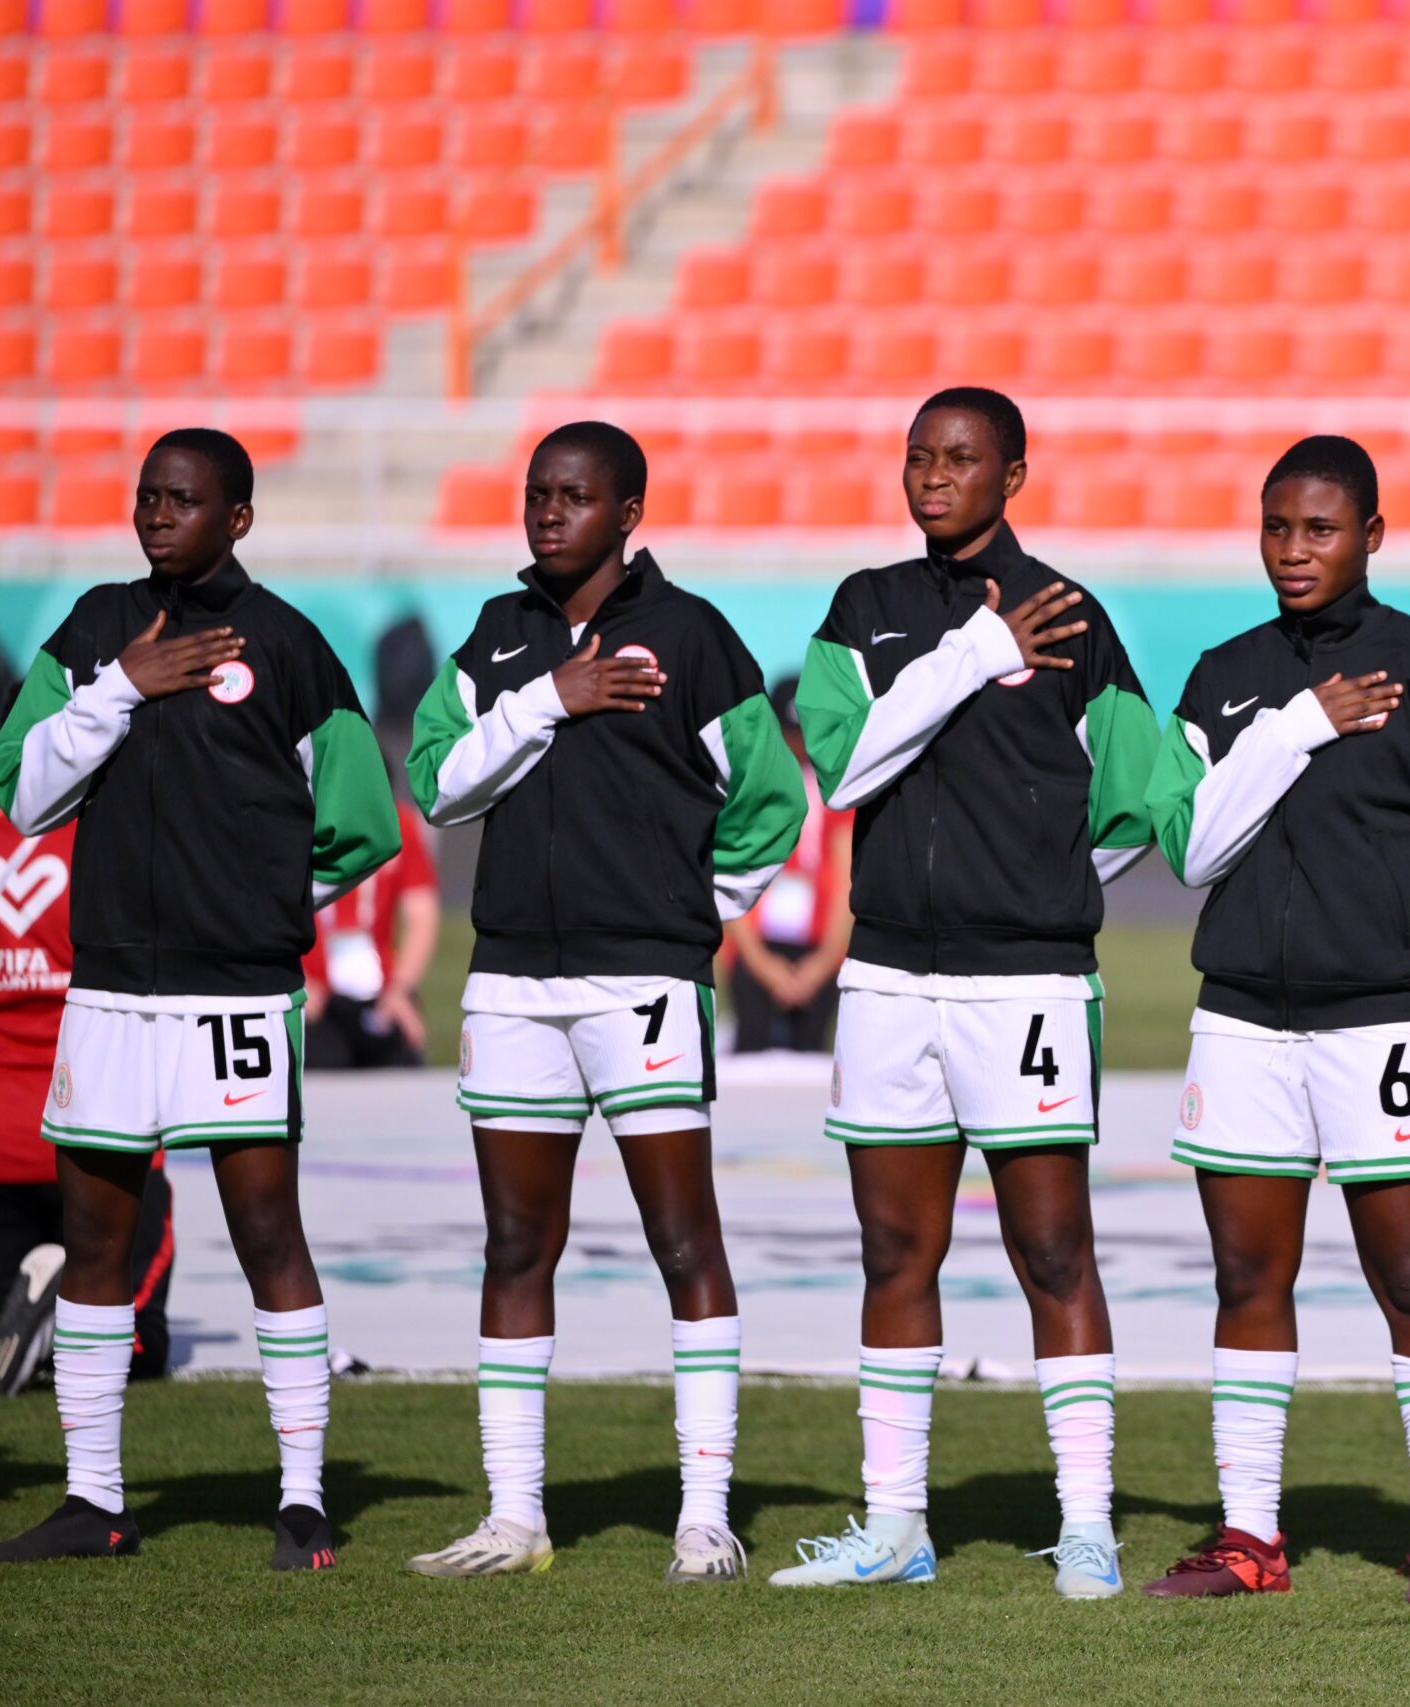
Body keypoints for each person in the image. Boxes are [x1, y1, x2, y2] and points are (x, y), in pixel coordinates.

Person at [402, 422, 805, 1584]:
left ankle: (705, 1515)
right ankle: (515, 1516)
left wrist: (683, 911)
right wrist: (549, 700)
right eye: (537, 493)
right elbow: (435, 783)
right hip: (513, 984)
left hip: (645, 981)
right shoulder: (496, 636)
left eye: (575, 496)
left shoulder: (691, 636)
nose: (548, 513)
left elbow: (771, 804)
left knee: (684, 1239)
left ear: (628, 512)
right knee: (518, 1243)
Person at [775, 388, 1159, 1599]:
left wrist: (1038, 887)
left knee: (1055, 1250)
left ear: (1015, 474)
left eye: (961, 458)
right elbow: (843, 770)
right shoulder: (864, 608)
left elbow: (1140, 804)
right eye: (918, 457)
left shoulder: (1078, 619)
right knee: (896, 1249)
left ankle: (1087, 1523)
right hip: (888, 974)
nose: (933, 476)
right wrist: (973, 659)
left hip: (1029, 982)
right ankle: (896, 1528)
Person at [0, 428, 400, 1570]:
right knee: (94, 1240)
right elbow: (20, 795)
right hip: (110, 990)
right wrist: (122, 687)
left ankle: (305, 1501)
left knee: (269, 1232)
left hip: (236, 995)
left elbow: (363, 825)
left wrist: (260, 907)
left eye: (184, 498)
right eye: (147, 495)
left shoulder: (291, 648)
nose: (158, 514)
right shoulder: (88, 631)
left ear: (239, 519)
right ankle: (93, 1500)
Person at [1137, 436, 1410, 1606]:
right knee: (1248, 1276)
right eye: (1276, 528)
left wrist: (1395, 917)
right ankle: (1250, 1537)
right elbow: (1192, 846)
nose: (1294, 551)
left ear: (1372, 537)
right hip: (1244, 1022)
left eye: (1319, 529)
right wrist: (1296, 725)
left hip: (1384, 1025)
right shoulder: (1222, 675)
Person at [0, 813, 177, 1395]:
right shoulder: (113, 827)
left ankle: (38, 1319)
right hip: (105, 1143)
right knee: (137, 1341)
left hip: (9, 1153)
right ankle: (56, 1336)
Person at [724, 676, 854, 1055]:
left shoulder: (838, 793)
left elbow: (846, 883)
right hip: (757, 951)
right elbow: (732, 876)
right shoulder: (749, 789)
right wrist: (760, 962)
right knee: (750, 1055)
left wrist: (823, 962)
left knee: (812, 1061)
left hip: (817, 953)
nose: (798, 745)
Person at [301, 796, 438, 1069]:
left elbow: (422, 913)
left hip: (381, 991)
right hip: (314, 993)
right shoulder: (299, 820)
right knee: (318, 1067)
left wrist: (401, 988)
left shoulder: (397, 823)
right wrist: (295, 982)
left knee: (402, 1063)